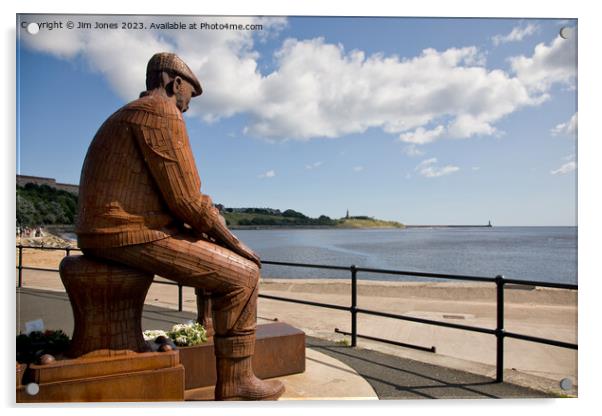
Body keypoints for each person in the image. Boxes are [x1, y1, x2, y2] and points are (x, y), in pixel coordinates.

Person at [75, 52, 284, 401]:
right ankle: (236, 382)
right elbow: (186, 199)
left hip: (102, 231)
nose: (188, 105)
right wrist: (234, 243)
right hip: (126, 233)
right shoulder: (160, 113)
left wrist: (205, 227)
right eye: (190, 95)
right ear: (176, 83)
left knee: (225, 262)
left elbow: (169, 198)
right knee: (243, 276)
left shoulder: (128, 113)